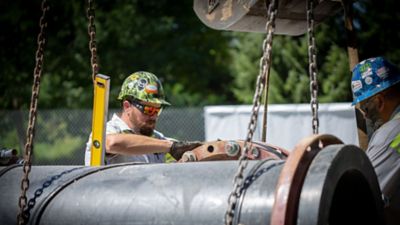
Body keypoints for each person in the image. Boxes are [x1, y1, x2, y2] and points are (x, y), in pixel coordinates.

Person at [85, 71, 202, 165]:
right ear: (127, 106)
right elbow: (111, 143)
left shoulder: (157, 138)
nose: (154, 116)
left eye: (157, 110)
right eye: (149, 110)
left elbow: (180, 148)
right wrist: (169, 146)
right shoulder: (106, 132)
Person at [351, 56, 400, 224]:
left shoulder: (389, 135)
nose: (365, 116)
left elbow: (361, 199)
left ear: (379, 101)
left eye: (365, 107)